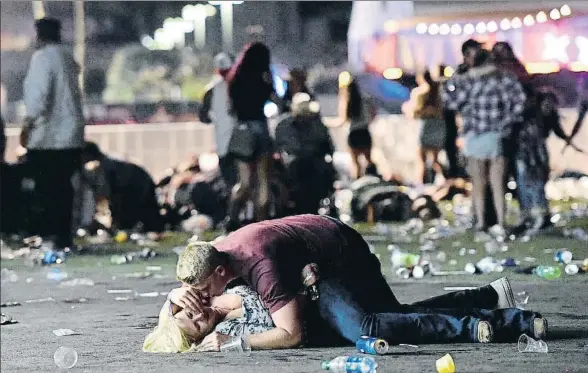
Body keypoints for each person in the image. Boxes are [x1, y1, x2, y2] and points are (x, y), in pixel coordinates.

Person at [167, 215, 547, 350]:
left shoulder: (257, 268)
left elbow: (292, 333)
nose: (197, 303)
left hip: (338, 256)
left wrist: (233, 344)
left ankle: (483, 325)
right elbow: (175, 321)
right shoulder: (213, 256)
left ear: (219, 274)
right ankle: (488, 297)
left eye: (200, 293)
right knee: (392, 316)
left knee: (365, 327)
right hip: (321, 246)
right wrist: (174, 298)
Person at [443, 48, 526, 238]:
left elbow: (450, 101)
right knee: (498, 183)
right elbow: (519, 101)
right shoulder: (503, 78)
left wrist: (456, 76)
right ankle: (502, 223)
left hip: (473, 136)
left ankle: (481, 223)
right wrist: (506, 124)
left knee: (478, 183)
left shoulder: (468, 80)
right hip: (496, 135)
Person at [20, 18, 85, 249]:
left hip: (48, 138)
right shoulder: (68, 58)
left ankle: (49, 237)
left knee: (47, 190)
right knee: (64, 189)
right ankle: (64, 237)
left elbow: (38, 101)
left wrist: (27, 126)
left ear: (39, 35)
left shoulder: (42, 58)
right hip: (72, 137)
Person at [224, 42, 276, 232]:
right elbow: (275, 99)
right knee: (263, 182)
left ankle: (232, 220)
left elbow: (230, 108)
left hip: (242, 130)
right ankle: (261, 226)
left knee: (244, 182)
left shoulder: (235, 79)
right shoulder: (263, 78)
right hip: (260, 128)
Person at [144, 284, 275, 353]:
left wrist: (172, 296)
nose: (200, 316)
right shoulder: (226, 329)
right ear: (200, 337)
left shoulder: (206, 295)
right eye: (197, 326)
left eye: (190, 314)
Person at [511, 89, 569, 235]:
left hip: (536, 154)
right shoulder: (529, 116)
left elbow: (557, 131)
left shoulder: (547, 117)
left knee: (535, 184)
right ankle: (529, 214)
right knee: (526, 184)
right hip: (525, 153)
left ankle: (540, 215)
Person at [81, 142, 164, 235]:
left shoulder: (106, 167)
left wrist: (116, 221)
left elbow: (116, 195)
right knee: (147, 213)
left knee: (143, 214)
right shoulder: (108, 162)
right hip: (139, 182)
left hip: (136, 185)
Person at [274, 93, 336, 214]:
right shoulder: (284, 125)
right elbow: (280, 148)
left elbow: (327, 146)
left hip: (314, 165)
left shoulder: (317, 124)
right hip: (292, 167)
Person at [199, 53, 237, 188]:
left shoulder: (211, 91)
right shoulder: (243, 86)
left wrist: (218, 119)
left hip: (224, 145)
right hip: (245, 144)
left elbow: (203, 117)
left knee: (231, 185)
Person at [402, 70, 445, 184]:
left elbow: (414, 113)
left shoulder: (420, 93)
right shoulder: (439, 91)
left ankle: (423, 184)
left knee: (422, 160)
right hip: (439, 127)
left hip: (425, 128)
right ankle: (444, 179)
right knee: (435, 160)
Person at [338, 76, 377, 179]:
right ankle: (373, 178)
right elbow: (373, 113)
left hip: (354, 133)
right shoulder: (365, 99)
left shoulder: (347, 101)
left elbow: (343, 120)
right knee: (369, 160)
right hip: (364, 131)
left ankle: (357, 182)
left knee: (356, 164)